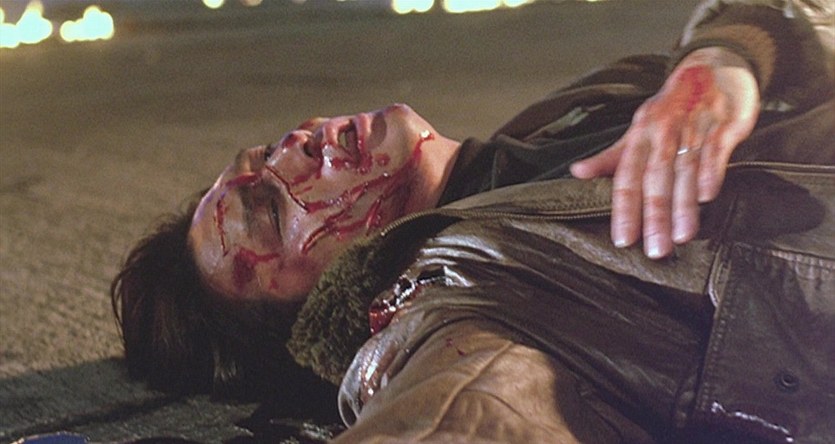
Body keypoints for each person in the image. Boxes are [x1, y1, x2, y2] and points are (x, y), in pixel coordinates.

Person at [111, 0, 834, 441]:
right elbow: (467, 410)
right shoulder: (468, 291)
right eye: (270, 208)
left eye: (266, 152)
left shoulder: (554, 121)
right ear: (319, 312)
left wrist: (727, 54)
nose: (294, 147)